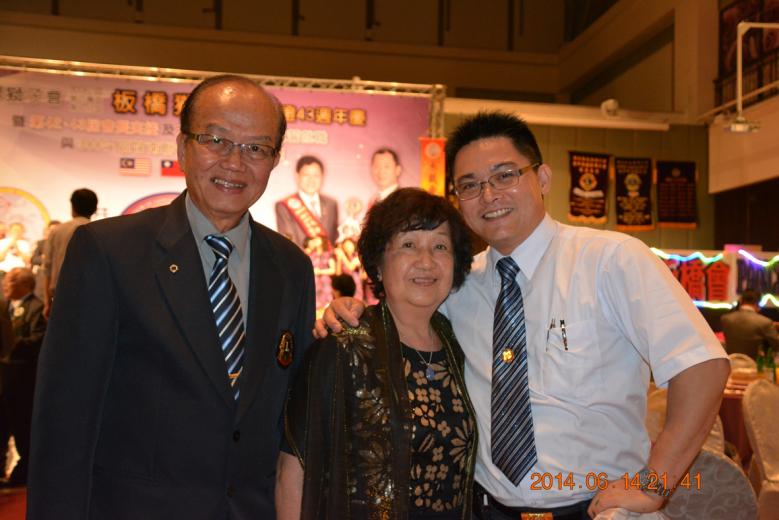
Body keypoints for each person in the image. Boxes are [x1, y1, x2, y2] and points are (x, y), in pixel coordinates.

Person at [320, 112, 730, 519]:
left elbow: (703, 365)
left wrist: (655, 482)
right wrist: (348, 310)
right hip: (486, 511)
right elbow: (402, 312)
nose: (489, 195)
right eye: (470, 185)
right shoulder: (458, 285)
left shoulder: (610, 260)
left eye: (505, 176)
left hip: (596, 509)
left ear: (543, 179)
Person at [28, 75, 316, 519]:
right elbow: (65, 418)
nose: (235, 163)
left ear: (275, 160)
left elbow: (292, 417)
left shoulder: (291, 266)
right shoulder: (109, 251)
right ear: (183, 147)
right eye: (216, 140)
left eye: (256, 148)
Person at [277, 188, 477, 520]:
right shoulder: (345, 345)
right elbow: (293, 469)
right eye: (408, 245)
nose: (426, 261)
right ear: (378, 265)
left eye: (440, 246)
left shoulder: (462, 344)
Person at [0, 267, 46, 487]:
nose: (5, 285)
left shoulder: (36, 307)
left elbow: (39, 339)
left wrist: (13, 344)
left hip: (22, 378)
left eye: (10, 282)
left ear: (25, 285)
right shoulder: (4, 306)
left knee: (21, 425)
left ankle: (24, 471)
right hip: (4, 376)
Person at [42, 188, 98, 317]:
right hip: (90, 294)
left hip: (59, 294)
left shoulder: (57, 231)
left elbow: (47, 267)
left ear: (72, 207)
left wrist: (47, 302)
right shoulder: (99, 231)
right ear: (95, 208)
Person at [275, 155, 339, 249]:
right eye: (306, 175)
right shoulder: (284, 206)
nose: (311, 180)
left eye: (316, 175)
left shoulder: (331, 204)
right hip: (298, 257)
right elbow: (288, 243)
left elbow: (334, 238)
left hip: (328, 257)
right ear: (297, 177)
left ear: (322, 177)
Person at [721, 289, 779, 358]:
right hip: (753, 363)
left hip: (730, 361)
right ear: (757, 303)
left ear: (741, 301)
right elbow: (777, 345)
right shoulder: (765, 322)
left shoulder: (725, 319)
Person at [30, 220, 60, 302]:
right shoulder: (41, 243)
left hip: (57, 275)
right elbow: (34, 259)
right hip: (42, 276)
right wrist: (45, 259)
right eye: (51, 230)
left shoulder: (62, 243)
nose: (53, 232)